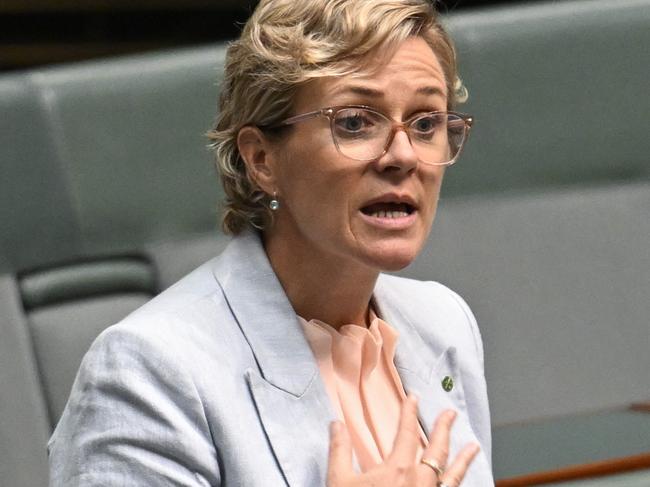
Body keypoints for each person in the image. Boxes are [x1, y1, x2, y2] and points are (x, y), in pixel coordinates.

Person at [48, 0, 493, 485]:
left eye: (426, 123)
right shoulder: (150, 371)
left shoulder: (444, 322)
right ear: (262, 159)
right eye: (355, 122)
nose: (404, 156)